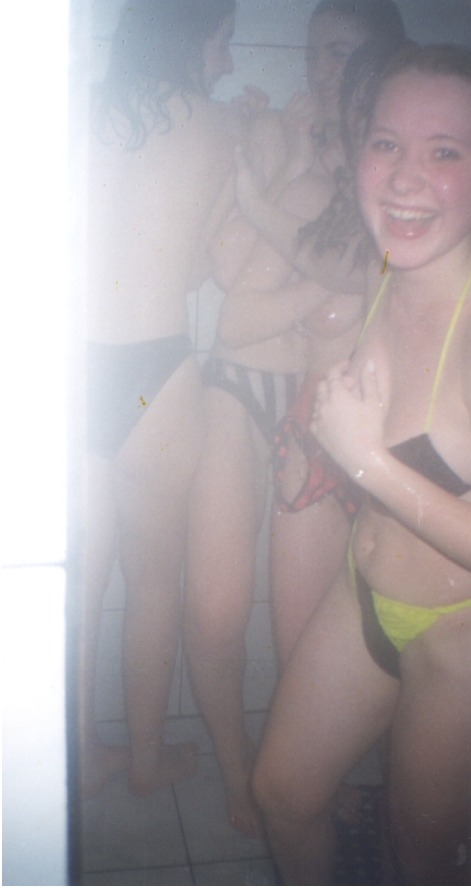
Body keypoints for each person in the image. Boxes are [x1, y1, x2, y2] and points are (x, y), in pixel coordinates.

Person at [252, 43, 471, 885]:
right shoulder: (385, 264)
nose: (406, 176)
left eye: (443, 151)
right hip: (362, 592)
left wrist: (365, 462)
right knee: (282, 793)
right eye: (386, 143)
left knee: (417, 860)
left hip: (455, 639)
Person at [184, 0, 404, 837]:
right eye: (313, 55)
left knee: (374, 641)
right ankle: (261, 778)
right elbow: (231, 294)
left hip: (373, 433)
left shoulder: (398, 179)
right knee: (246, 617)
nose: (321, 72)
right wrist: (276, 166)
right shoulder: (287, 135)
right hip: (282, 407)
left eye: (340, 54)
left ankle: (357, 785)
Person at [79, 0, 240, 800]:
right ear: (191, 37)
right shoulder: (218, 127)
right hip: (156, 375)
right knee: (152, 585)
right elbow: (202, 268)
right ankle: (144, 763)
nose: (226, 62)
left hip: (75, 372)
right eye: (222, 43)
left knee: (77, 585)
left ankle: (81, 753)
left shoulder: (78, 113)